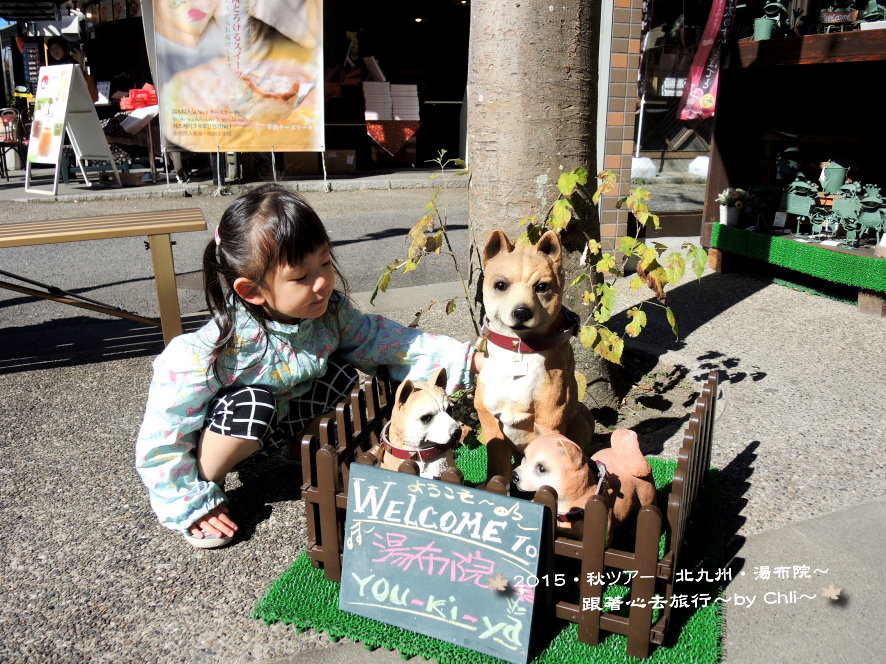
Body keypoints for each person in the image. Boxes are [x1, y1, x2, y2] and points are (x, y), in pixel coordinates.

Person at [135, 184, 479, 549]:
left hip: (284, 425)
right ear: (252, 291)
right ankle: (208, 483)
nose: (322, 282)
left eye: (326, 263)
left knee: (343, 375)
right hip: (233, 434)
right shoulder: (218, 348)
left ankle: (298, 451)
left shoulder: (331, 313)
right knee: (253, 404)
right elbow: (164, 432)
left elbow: (386, 342)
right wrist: (187, 498)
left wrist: (462, 359)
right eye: (300, 277)